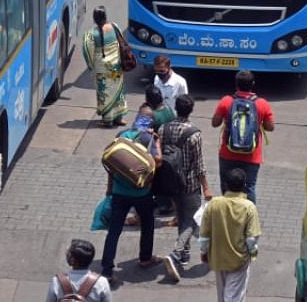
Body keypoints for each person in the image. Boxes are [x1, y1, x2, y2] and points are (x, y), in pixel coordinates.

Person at [199, 167, 261, 302]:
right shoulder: (249, 207)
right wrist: (253, 252)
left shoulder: (214, 204)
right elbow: (252, 239)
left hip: (217, 256)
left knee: (223, 292)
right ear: (244, 187)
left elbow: (204, 234)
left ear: (226, 185)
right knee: (234, 297)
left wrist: (204, 252)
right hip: (239, 259)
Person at [100, 113, 162, 286]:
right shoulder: (148, 138)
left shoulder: (121, 136)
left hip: (119, 192)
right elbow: (158, 162)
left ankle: (106, 270)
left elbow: (113, 165)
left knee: (114, 231)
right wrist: (157, 142)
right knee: (148, 224)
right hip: (142, 193)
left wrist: (109, 188)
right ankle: (145, 258)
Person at [161, 94, 211, 283]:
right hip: (189, 184)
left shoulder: (163, 128)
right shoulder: (194, 134)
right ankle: (175, 253)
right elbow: (199, 165)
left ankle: (184, 255)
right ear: (191, 110)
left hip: (169, 183)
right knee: (191, 221)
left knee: (182, 218)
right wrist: (206, 187)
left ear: (175, 107)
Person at [211, 69, 275, 202]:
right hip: (252, 155)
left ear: (236, 84)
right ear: (253, 84)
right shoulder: (262, 103)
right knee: (249, 187)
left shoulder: (226, 101)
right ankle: (249, 217)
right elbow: (270, 127)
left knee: (226, 186)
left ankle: (228, 214)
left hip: (228, 153)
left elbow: (215, 123)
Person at [81, 6, 128, 128]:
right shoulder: (115, 27)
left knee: (104, 92)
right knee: (118, 90)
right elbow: (121, 42)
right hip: (116, 67)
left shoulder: (91, 34)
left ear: (94, 19)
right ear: (105, 16)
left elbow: (88, 52)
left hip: (102, 69)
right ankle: (119, 117)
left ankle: (107, 119)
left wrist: (91, 66)